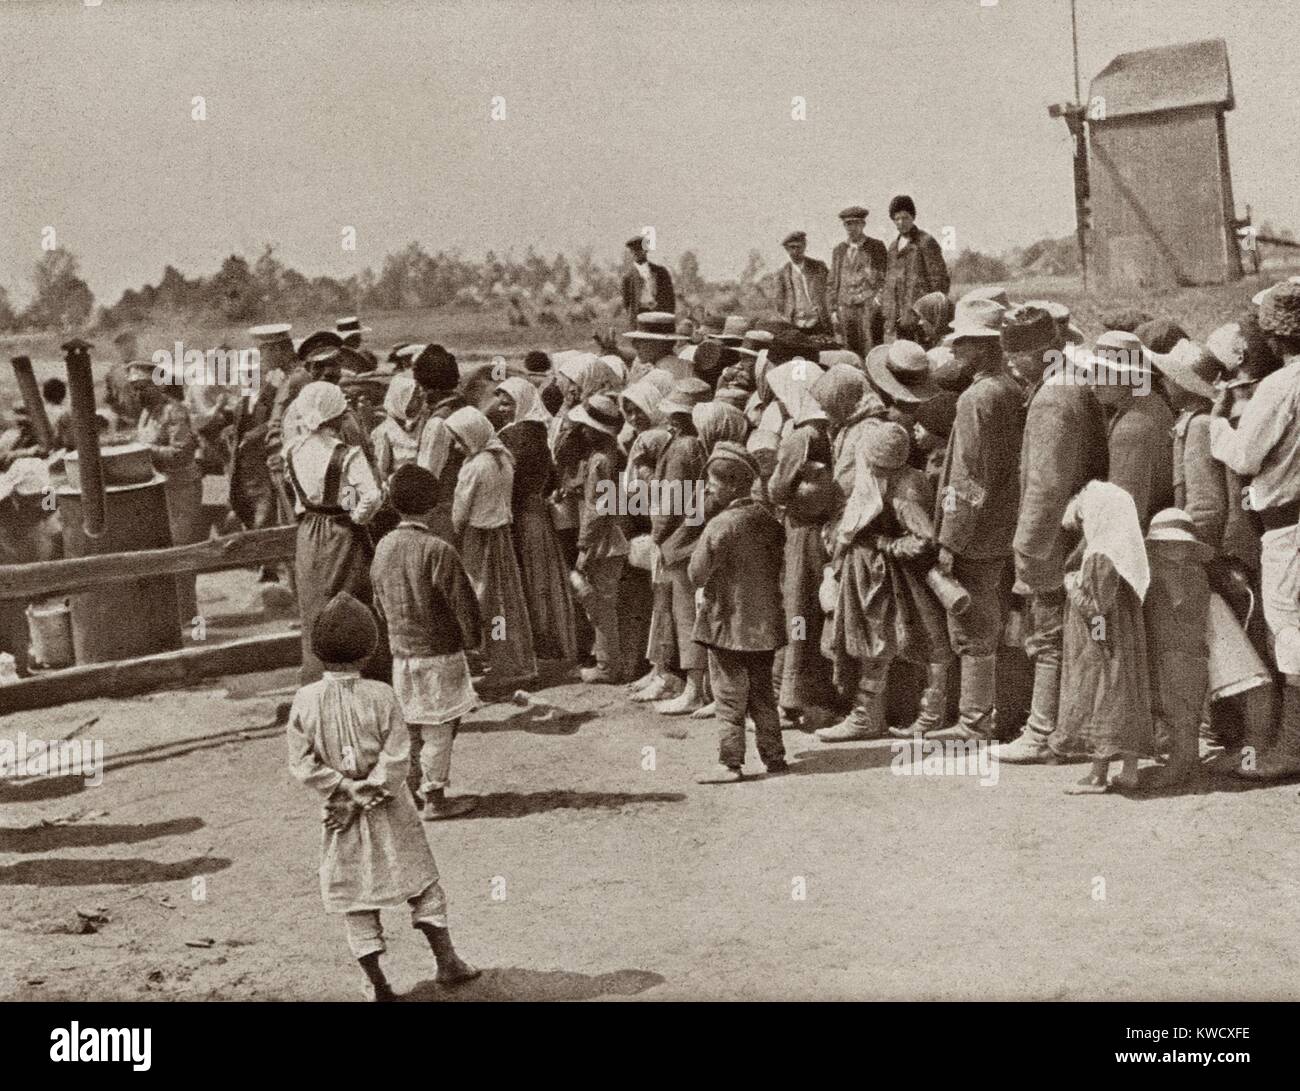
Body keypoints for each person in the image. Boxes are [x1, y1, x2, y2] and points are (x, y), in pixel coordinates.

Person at [285, 591, 480, 1000]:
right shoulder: (382, 694)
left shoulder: (304, 700)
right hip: (389, 808)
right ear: (370, 649)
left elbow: (301, 763)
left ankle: (377, 985)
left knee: (355, 898)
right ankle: (447, 962)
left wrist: (342, 789)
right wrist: (370, 788)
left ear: (317, 650)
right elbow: (397, 756)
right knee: (421, 882)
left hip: (341, 814)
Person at [997, 315, 1109, 764]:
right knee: (1071, 636)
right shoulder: (1073, 382)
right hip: (1074, 531)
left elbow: (1045, 485)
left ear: (1040, 352)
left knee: (1048, 637)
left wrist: (1027, 549)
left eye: (1016, 354)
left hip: (1052, 540)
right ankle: (1069, 730)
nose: (1010, 362)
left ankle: (1042, 731)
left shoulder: (1053, 398)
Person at [1209, 282, 1300, 779]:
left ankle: (1288, 748)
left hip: (1289, 524)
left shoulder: (1280, 387)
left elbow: (1245, 454)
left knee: (1290, 634)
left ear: (1273, 336)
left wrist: (1216, 424)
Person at [929, 302, 1027, 741]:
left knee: (973, 627)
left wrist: (951, 539)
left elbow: (968, 476)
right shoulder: (1010, 389)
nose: (956, 348)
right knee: (996, 621)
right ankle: (995, 716)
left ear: (984, 347)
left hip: (977, 533)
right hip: (1005, 526)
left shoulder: (976, 398)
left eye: (963, 341)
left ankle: (974, 722)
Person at [817, 421, 950, 741]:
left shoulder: (904, 487)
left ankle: (931, 716)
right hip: (874, 577)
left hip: (901, 580)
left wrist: (883, 545)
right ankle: (867, 716)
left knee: (928, 644)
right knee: (873, 647)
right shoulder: (880, 481)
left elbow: (924, 540)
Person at [370, 465, 483, 821]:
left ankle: (410, 788)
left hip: (401, 653)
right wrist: (475, 641)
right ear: (434, 507)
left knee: (412, 726)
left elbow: (378, 601)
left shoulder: (384, 547)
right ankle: (434, 796)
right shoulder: (439, 550)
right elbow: (463, 603)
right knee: (440, 728)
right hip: (439, 654)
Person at [1047, 482, 1154, 794]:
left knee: (1100, 698)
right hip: (1124, 643)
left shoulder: (1101, 555)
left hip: (1101, 644)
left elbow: (1096, 612)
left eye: (1084, 516)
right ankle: (1130, 772)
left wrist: (1071, 585)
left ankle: (1097, 776)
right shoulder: (1127, 554)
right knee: (1126, 698)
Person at [690, 443, 788, 783]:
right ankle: (774, 755)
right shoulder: (769, 521)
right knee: (763, 692)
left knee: (728, 695)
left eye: (713, 484)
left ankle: (730, 762)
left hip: (727, 624)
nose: (708, 489)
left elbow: (696, 573)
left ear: (731, 486)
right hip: (765, 625)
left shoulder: (719, 525)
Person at [285, 381, 386, 685]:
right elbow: (371, 496)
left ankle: (317, 676)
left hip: (308, 535)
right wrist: (357, 516)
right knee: (351, 601)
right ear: (338, 417)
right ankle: (360, 676)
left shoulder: (293, 450)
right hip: (342, 535)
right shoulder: (347, 455)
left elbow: (299, 495)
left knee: (314, 605)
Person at [446, 405, 538, 690]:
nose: (458, 447)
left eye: (461, 440)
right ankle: (512, 659)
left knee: (480, 598)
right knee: (505, 599)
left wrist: (455, 533)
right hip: (502, 537)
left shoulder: (474, 467)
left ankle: (493, 660)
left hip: (478, 537)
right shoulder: (503, 459)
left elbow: (460, 512)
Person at [488, 377, 578, 663]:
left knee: (527, 580)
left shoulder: (514, 437)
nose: (502, 408)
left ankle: (536, 645)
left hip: (521, 516)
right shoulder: (539, 430)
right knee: (543, 580)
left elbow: (507, 482)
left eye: (507, 403)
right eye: (500, 403)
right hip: (538, 515)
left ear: (522, 403)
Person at [768, 391, 839, 730]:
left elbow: (778, 488)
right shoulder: (829, 433)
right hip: (821, 532)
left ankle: (790, 698)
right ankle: (812, 697)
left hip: (800, 532)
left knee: (796, 610)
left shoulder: (801, 436)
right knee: (810, 612)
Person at [126, 361, 206, 626]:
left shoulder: (173, 411)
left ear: (158, 385)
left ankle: (186, 613)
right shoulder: (147, 414)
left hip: (182, 487)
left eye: (142, 387)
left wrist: (144, 452)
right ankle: (172, 611)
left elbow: (181, 452)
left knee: (181, 548)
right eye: (134, 389)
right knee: (163, 549)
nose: (137, 394)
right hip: (161, 489)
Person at [650, 378, 713, 714]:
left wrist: (658, 535)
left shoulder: (681, 448)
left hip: (680, 542)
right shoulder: (699, 444)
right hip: (694, 537)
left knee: (686, 616)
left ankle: (694, 689)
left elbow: (671, 500)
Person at [1143, 508, 1212, 788]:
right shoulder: (1182, 572)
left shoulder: (1183, 574)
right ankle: (1185, 759)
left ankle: (1181, 763)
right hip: (1173, 650)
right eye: (1166, 544)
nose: (1172, 549)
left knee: (1181, 710)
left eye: (1178, 545)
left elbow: (1181, 608)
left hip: (1181, 652)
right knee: (1177, 710)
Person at [568, 394, 631, 683]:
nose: (582, 430)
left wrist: (583, 544)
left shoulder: (600, 461)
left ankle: (607, 667)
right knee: (603, 604)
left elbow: (598, 508)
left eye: (587, 426)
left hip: (604, 541)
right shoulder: (612, 455)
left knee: (600, 605)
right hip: (613, 536)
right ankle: (609, 661)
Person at [1093, 331, 1174, 529]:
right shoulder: (1152, 403)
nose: (1094, 383)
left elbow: (1123, 510)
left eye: (1103, 373)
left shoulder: (1132, 428)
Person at [0, 459, 63, 677]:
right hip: (7, 556)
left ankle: (28, 655)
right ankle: (20, 662)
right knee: (13, 605)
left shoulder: (48, 493)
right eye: (29, 496)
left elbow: (53, 527)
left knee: (25, 604)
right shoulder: (4, 503)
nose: (35, 500)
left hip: (28, 552)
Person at [412, 344, 467, 544]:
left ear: (428, 387)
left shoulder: (438, 423)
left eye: (419, 386)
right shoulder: (465, 409)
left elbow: (427, 475)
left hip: (442, 512)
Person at [881, 195, 950, 343]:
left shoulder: (925, 242)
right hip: (900, 318)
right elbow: (889, 283)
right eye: (897, 218)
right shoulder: (893, 247)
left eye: (905, 217)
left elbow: (940, 282)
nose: (901, 222)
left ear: (913, 217)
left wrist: (930, 316)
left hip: (921, 318)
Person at [830, 206, 888, 357]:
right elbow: (832, 281)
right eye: (848, 224)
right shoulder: (839, 250)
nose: (852, 228)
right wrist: (833, 309)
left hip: (868, 307)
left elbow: (885, 277)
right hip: (846, 308)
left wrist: (878, 300)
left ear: (863, 225)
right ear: (844, 226)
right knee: (850, 352)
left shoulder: (876, 247)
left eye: (856, 223)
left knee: (872, 350)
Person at [774, 231, 832, 334]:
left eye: (798, 247)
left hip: (819, 321)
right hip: (794, 323)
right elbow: (779, 300)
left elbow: (831, 289)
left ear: (804, 247)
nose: (795, 251)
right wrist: (785, 317)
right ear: (786, 249)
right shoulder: (782, 273)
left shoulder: (818, 267)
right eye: (792, 248)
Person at [371, 372, 425, 481]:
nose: (419, 401)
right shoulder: (384, 431)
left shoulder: (424, 422)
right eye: (412, 398)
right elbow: (382, 471)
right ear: (400, 399)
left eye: (419, 396)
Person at [622, 312, 691, 385]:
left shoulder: (663, 372)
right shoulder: (678, 365)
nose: (635, 345)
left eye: (643, 341)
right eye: (635, 340)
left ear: (663, 344)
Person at [621, 236, 675, 322]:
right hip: (639, 319)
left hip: (659, 316)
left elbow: (670, 298)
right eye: (633, 250)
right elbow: (626, 304)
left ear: (646, 250)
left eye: (639, 249)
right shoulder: (627, 277)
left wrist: (668, 319)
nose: (636, 253)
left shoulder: (661, 272)